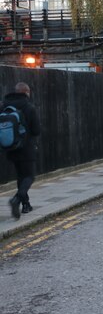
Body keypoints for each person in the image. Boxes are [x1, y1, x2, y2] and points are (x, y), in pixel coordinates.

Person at [2, 82, 41, 219]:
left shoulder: (4, 106)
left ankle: (26, 205)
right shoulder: (29, 107)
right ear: (26, 92)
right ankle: (17, 200)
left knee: (20, 176)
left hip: (10, 147)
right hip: (26, 148)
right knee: (29, 176)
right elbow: (36, 130)